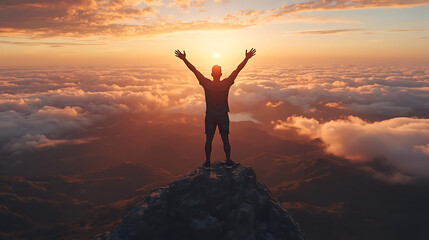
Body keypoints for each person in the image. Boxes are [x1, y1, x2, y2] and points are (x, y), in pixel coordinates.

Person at [175, 48, 256, 168]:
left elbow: (194, 70)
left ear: (212, 74)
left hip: (210, 115)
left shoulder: (206, 83)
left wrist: (184, 59)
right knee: (225, 138)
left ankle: (207, 162)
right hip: (223, 114)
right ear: (221, 74)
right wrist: (247, 58)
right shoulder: (226, 83)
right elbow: (237, 70)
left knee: (209, 139)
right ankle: (228, 161)